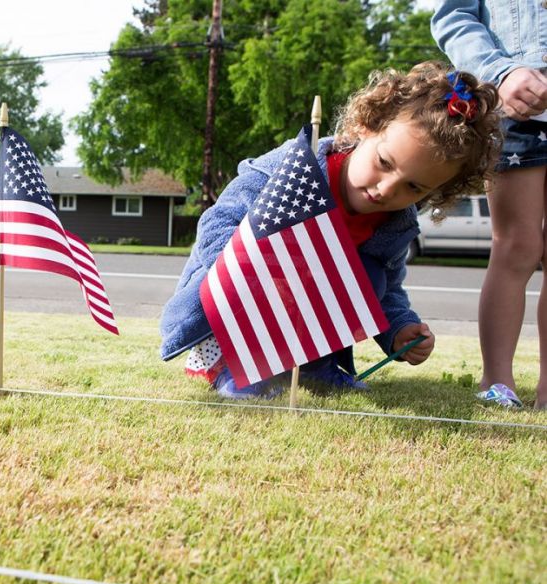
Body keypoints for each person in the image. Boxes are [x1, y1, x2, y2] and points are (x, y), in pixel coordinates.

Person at [159, 61, 501, 399]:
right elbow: (219, 220)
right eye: (384, 163)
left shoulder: (395, 224)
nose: (386, 190)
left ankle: (311, 364)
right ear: (367, 126)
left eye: (413, 188)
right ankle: (222, 360)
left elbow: (388, 291)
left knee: (372, 276)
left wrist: (399, 329)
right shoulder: (293, 167)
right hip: (234, 289)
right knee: (286, 272)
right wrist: (253, 276)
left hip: (303, 304)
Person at [432, 1, 547, 410]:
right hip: (514, 103)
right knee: (517, 245)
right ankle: (497, 380)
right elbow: (452, 15)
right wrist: (501, 71)